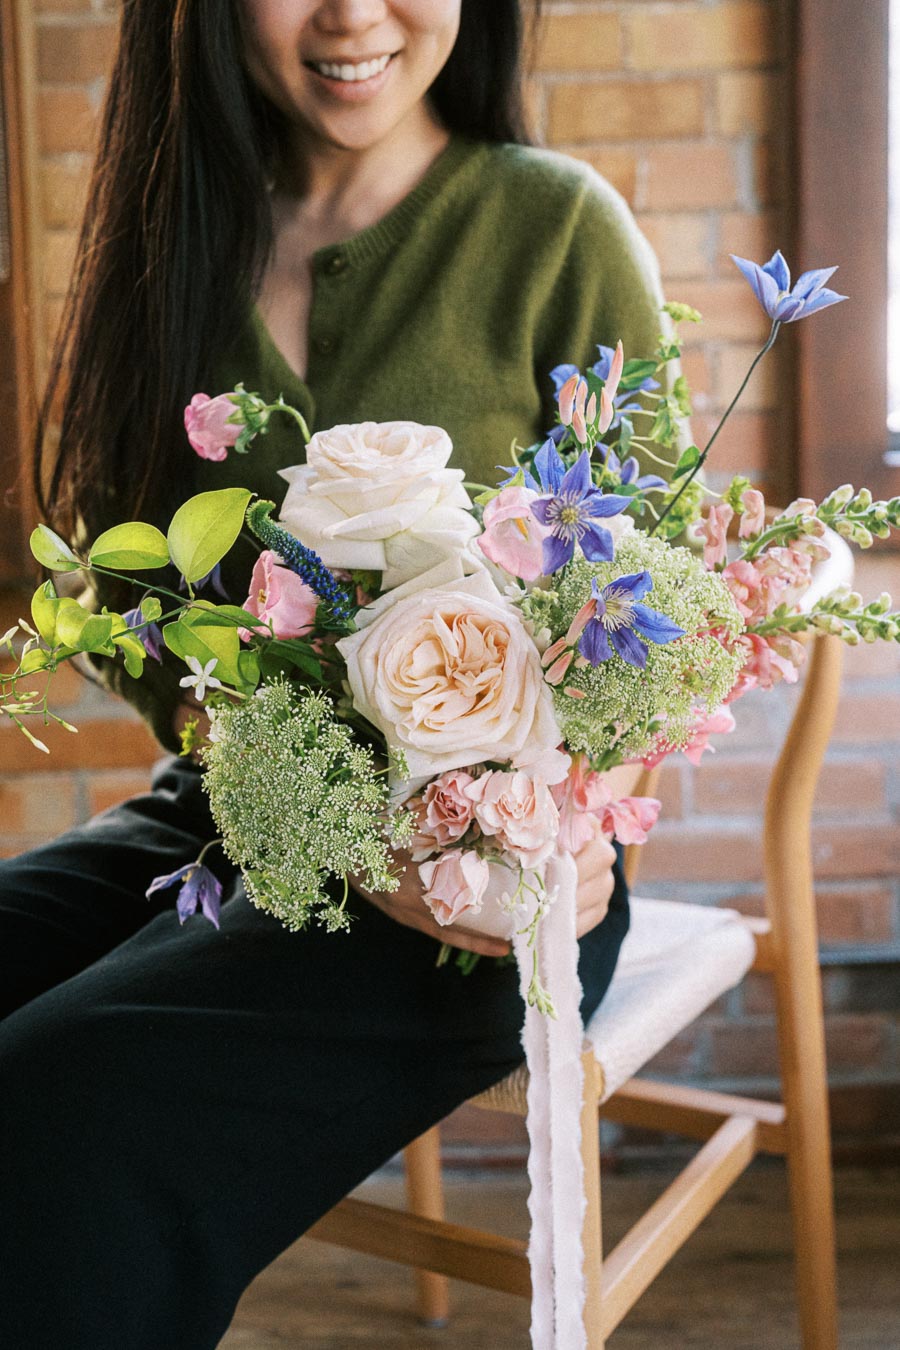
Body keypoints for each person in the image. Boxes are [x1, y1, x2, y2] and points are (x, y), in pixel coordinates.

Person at [0, 3, 673, 1345]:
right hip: (238, 815)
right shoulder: (176, 248)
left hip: (493, 873)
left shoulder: (556, 229)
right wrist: (285, 786)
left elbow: (639, 627)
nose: (353, 14)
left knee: (55, 1103)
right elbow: (153, 622)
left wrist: (545, 828)